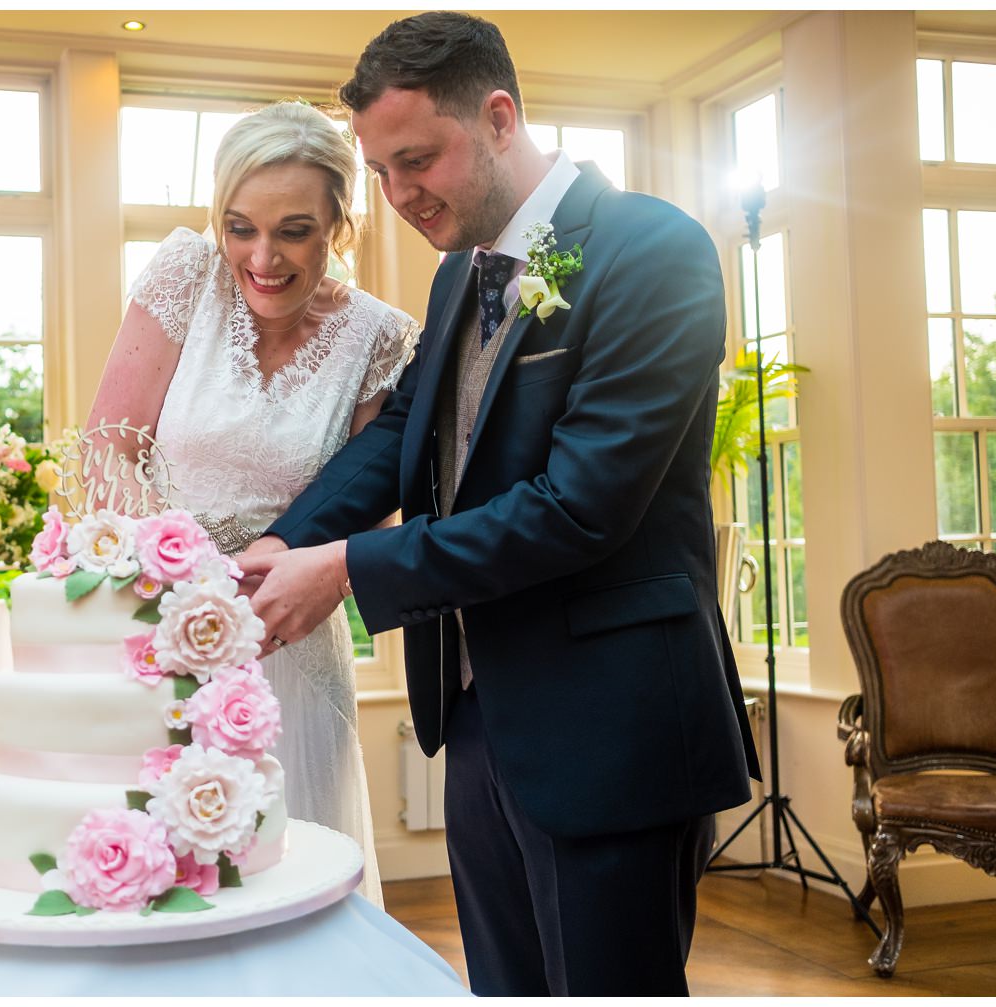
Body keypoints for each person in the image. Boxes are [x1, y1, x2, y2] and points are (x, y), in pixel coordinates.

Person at [238, 12, 761, 996]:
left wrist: (349, 569)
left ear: (500, 116)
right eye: (382, 171)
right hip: (478, 719)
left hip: (614, 725)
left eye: (418, 160)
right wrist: (282, 540)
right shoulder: (456, 278)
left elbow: (578, 506)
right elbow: (400, 438)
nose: (397, 195)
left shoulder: (653, 251)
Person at [86, 100, 422, 908]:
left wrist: (273, 592)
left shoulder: (382, 337)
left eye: (294, 230)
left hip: (289, 646)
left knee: (285, 882)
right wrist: (190, 578)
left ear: (341, 220)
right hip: (152, 621)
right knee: (148, 882)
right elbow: (108, 445)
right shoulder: (182, 277)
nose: (261, 257)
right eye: (240, 227)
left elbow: (367, 503)